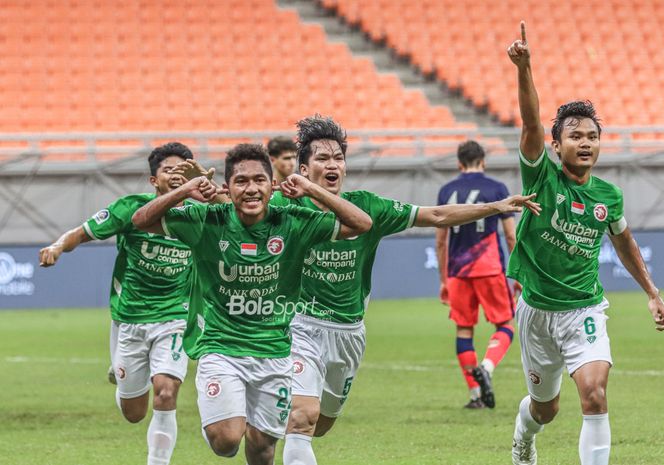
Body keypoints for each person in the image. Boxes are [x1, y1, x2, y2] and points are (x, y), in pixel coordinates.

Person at [267, 115, 540, 465]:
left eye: (338, 158)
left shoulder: (368, 207)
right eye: (322, 159)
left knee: (320, 424)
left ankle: (272, 419)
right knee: (302, 418)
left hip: (349, 334)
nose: (332, 164)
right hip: (300, 326)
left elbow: (438, 216)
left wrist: (495, 207)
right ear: (303, 169)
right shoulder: (284, 207)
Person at [130, 143, 372, 465]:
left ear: (273, 186)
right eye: (241, 181)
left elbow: (362, 224)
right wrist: (185, 191)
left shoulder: (293, 221)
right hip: (221, 348)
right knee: (227, 440)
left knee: (261, 450)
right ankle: (219, 419)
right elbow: (140, 221)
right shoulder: (207, 220)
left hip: (274, 352)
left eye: (259, 180)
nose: (251, 189)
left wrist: (312, 189)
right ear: (227, 189)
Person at [506, 22, 664, 465]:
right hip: (537, 311)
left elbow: (623, 242)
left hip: (584, 308)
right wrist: (525, 69)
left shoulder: (607, 195)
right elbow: (528, 121)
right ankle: (525, 434)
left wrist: (652, 293)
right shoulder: (540, 177)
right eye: (575, 136)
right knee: (546, 409)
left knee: (595, 395)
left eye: (592, 136)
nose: (585, 143)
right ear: (556, 144)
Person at [39, 142, 217, 465]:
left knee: (166, 391)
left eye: (183, 170)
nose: (177, 176)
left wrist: (213, 191)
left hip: (175, 317)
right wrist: (57, 246)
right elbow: (83, 232)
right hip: (130, 318)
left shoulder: (200, 215)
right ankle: (122, 382)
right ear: (153, 181)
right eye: (169, 170)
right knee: (134, 413)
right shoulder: (131, 209)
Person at [436, 139, 520, 409]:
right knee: (505, 325)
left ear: (460, 164)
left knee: (463, 330)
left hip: (458, 273)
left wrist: (443, 279)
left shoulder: (446, 191)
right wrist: (520, 272)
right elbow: (510, 235)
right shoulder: (497, 189)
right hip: (489, 268)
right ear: (483, 162)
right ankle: (487, 366)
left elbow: (440, 241)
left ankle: (475, 395)